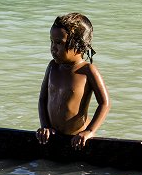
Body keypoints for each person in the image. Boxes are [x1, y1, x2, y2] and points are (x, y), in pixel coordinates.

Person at [36, 13, 111, 150]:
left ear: (79, 45)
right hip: (54, 135)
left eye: (59, 43)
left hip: (77, 138)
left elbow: (104, 103)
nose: (53, 47)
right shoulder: (53, 67)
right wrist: (45, 126)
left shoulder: (87, 71)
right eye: (52, 41)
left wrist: (89, 131)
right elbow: (42, 99)